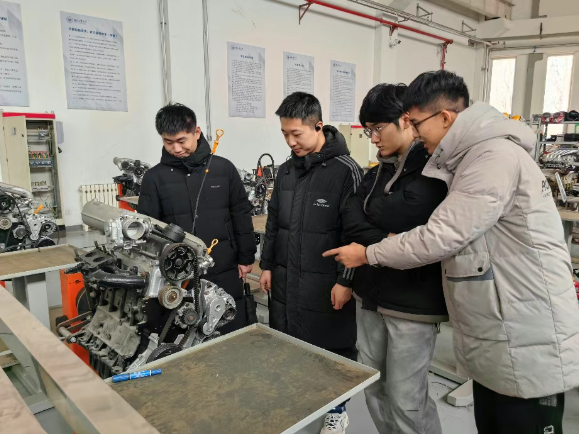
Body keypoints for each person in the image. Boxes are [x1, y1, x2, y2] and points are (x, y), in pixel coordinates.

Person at [325, 70, 579, 434]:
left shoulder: (491, 158)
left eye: (416, 123)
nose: (414, 133)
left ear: (444, 117)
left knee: (508, 418)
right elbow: (359, 213)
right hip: (500, 323)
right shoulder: (466, 159)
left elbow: (439, 235)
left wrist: (368, 254)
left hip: (524, 326)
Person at [341, 83, 448, 434]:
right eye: (367, 130)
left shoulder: (434, 168)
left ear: (405, 119)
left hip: (412, 303)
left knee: (406, 399)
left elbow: (413, 213)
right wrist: (386, 236)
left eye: (377, 128)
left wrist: (372, 218)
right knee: (374, 388)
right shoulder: (376, 173)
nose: (372, 138)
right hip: (370, 294)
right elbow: (350, 217)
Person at [259, 92, 361, 434]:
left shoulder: (346, 171)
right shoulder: (287, 170)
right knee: (289, 340)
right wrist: (267, 265)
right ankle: (299, 398)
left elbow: (355, 234)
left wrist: (345, 280)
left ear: (318, 126)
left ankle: (337, 410)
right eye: (284, 134)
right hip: (287, 277)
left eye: (296, 134)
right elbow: (274, 222)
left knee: (332, 349)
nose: (290, 142)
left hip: (326, 282)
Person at [139, 103, 256, 334]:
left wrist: (246, 256)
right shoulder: (154, 178)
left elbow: (240, 214)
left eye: (182, 140)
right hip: (177, 274)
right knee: (182, 332)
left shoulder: (224, 169)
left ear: (197, 132)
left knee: (229, 327)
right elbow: (149, 230)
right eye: (168, 142)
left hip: (224, 266)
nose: (176, 148)